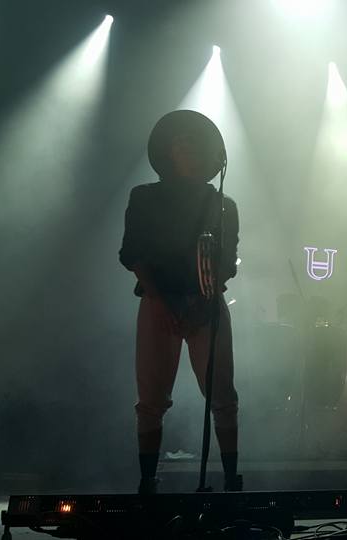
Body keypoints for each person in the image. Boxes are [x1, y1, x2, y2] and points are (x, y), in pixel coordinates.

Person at [119, 110, 241, 494]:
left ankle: (230, 478)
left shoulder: (223, 205)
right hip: (158, 303)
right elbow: (133, 253)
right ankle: (147, 481)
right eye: (180, 142)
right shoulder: (144, 197)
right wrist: (159, 300)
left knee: (223, 397)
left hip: (206, 305)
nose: (187, 148)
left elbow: (227, 262)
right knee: (151, 400)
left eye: (194, 143)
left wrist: (203, 302)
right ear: (168, 151)